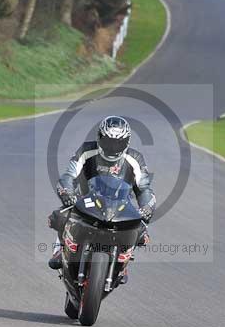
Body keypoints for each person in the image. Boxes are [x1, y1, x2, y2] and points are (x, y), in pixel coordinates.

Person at [47, 116, 155, 283]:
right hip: (87, 201)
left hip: (120, 205)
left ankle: (124, 261)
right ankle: (59, 250)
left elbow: (144, 188)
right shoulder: (86, 150)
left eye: (118, 143)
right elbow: (69, 175)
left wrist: (147, 207)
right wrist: (67, 192)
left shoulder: (135, 158)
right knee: (60, 215)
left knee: (141, 230)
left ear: (126, 142)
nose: (112, 147)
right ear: (99, 137)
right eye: (108, 141)